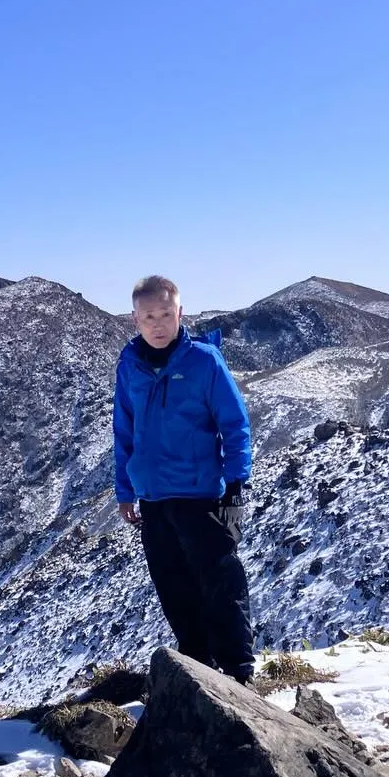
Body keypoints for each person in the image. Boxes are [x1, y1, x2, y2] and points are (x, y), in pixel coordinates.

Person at [113, 275, 255, 683]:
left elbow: (235, 424)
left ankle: (239, 670)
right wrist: (125, 490)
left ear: (180, 313)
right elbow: (123, 429)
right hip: (154, 499)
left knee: (220, 582)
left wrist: (235, 483)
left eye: (165, 314)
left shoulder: (205, 361)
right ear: (135, 319)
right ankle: (197, 665)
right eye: (148, 317)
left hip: (203, 496)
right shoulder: (130, 364)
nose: (157, 324)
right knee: (172, 586)